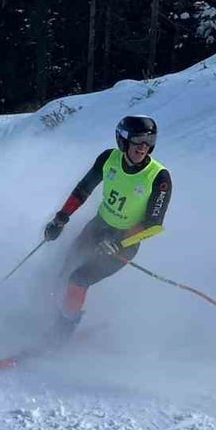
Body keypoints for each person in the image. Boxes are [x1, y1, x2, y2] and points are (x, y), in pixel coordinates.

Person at [41, 115, 172, 343]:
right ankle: (47, 316)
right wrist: (60, 219)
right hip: (97, 227)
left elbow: (153, 224)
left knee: (79, 278)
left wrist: (119, 243)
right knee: (64, 268)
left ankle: (62, 332)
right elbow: (83, 189)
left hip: (125, 243)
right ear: (123, 140)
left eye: (149, 141)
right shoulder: (108, 158)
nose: (143, 147)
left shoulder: (159, 177)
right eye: (138, 140)